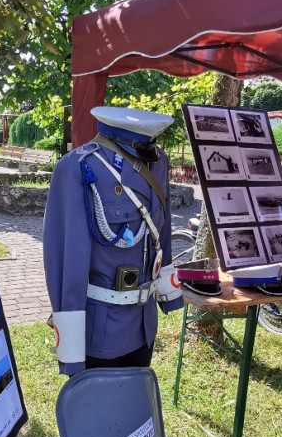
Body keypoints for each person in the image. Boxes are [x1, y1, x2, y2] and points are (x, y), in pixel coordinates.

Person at [43, 107, 183, 374]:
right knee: (96, 411)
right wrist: (71, 350)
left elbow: (161, 233)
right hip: (101, 330)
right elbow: (66, 261)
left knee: (133, 406)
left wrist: (169, 294)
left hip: (144, 325)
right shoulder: (78, 167)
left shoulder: (158, 162)